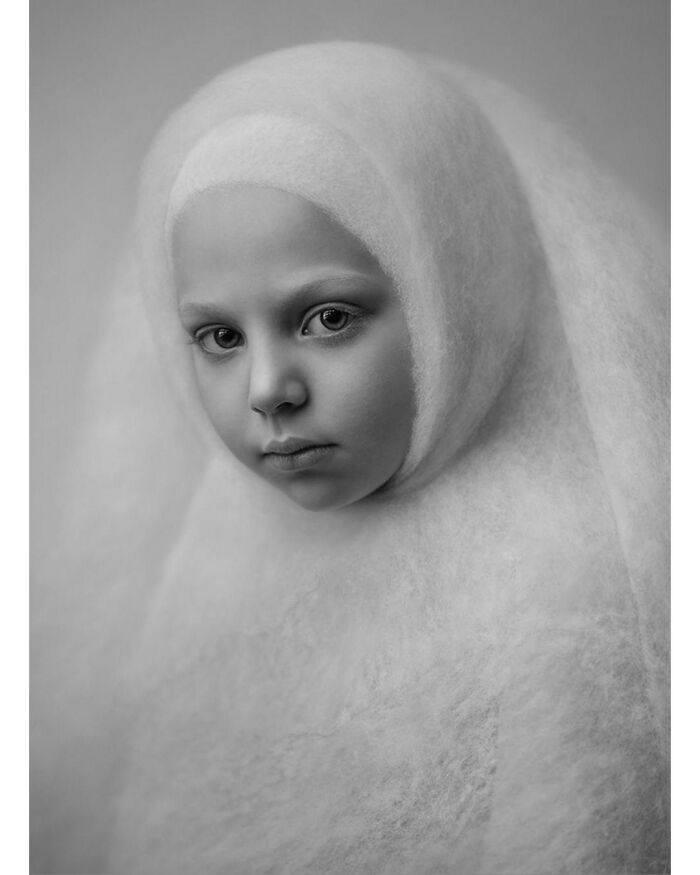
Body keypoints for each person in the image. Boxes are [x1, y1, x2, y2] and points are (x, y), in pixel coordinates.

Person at [32, 42, 669, 874]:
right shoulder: (217, 548)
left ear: (457, 288)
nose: (268, 389)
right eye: (218, 336)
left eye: (327, 318)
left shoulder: (573, 595)